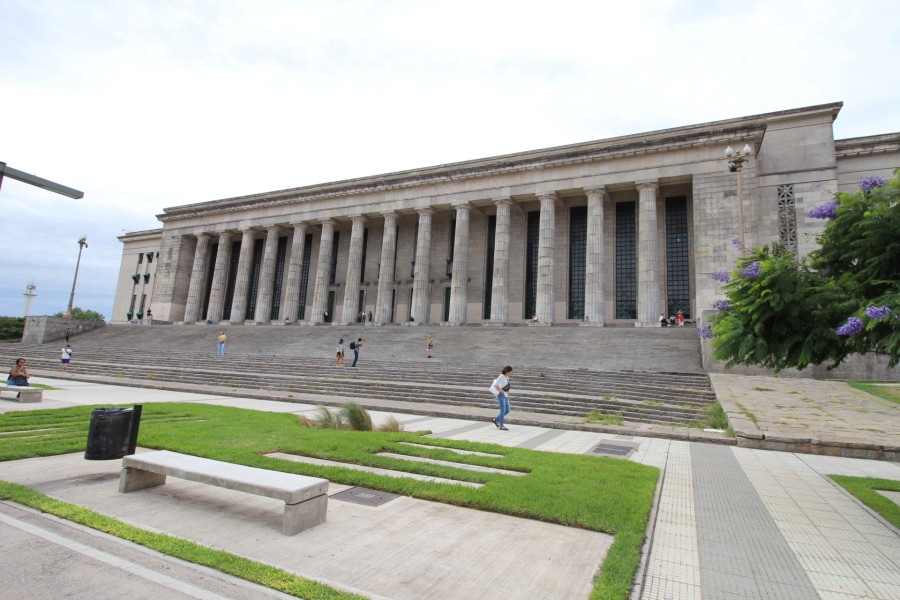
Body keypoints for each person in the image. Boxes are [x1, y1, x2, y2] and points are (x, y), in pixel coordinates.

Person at [489, 366, 513, 430]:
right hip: (501, 395)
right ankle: (501, 426)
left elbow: (507, 387)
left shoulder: (507, 377)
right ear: (506, 371)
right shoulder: (501, 376)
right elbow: (496, 385)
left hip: (505, 396)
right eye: (510, 372)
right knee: (503, 410)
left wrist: (508, 395)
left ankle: (496, 419)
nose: (511, 373)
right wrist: (500, 391)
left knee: (508, 410)